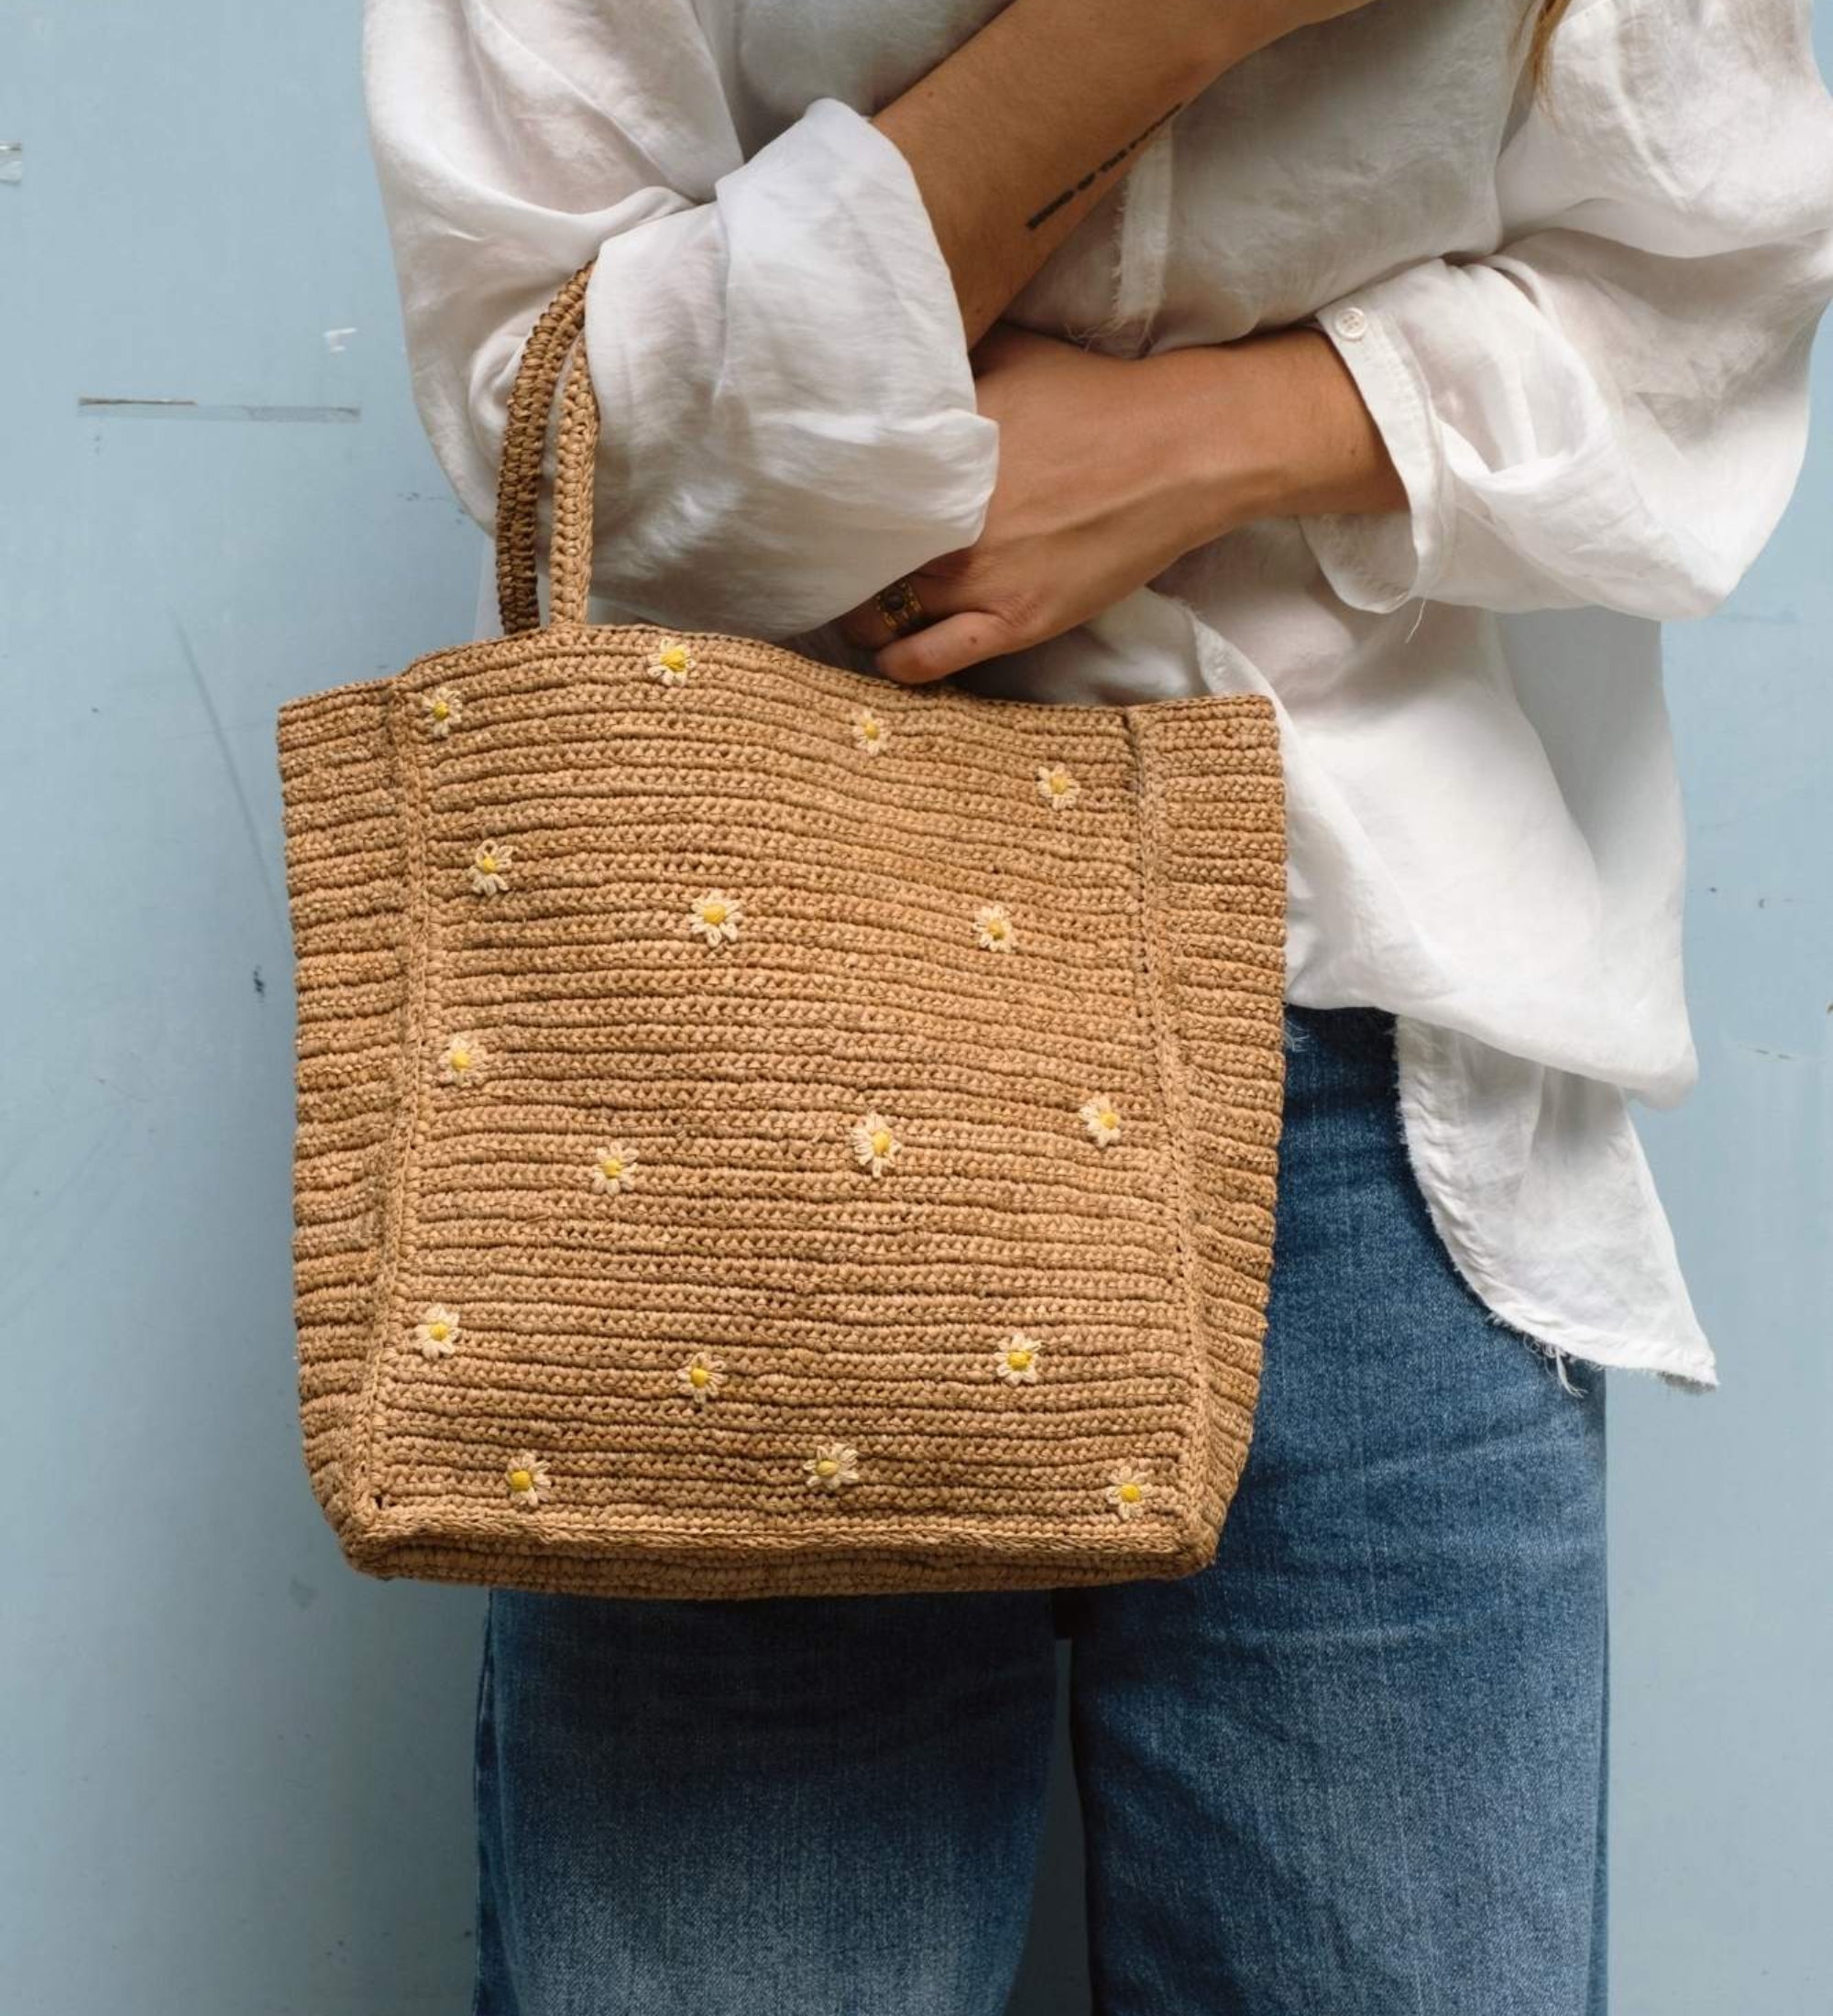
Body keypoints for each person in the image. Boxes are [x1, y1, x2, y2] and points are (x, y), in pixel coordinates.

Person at [359, 2, 1833, 2008]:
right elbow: (558, 420)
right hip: (724, 1110)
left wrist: (1210, 435)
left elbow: (1709, 285)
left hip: (1375, 1075)